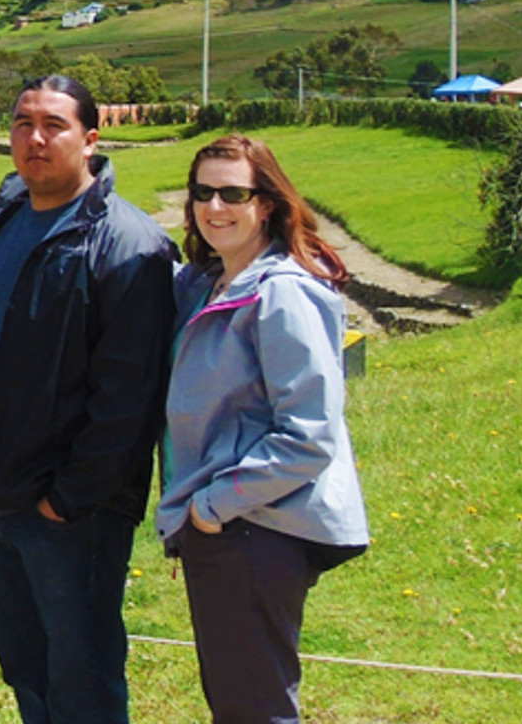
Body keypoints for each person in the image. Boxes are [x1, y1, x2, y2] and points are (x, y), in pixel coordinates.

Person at [0, 75, 176, 724]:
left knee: (83, 678)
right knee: (26, 667)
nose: (36, 139)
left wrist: (68, 500)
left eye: (54, 125)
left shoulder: (130, 247)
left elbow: (129, 400)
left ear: (91, 140)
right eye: (23, 124)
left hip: (70, 515)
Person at [159, 135, 368, 724]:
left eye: (234, 193)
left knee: (254, 708)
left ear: (267, 204)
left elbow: (309, 434)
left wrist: (213, 507)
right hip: (231, 529)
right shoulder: (213, 283)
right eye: (203, 192)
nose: (214, 207)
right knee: (240, 701)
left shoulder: (281, 294)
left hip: (252, 529)